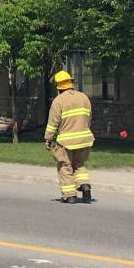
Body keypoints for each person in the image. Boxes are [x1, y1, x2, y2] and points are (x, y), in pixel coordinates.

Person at [44, 70, 95, 203]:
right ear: (70, 83)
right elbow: (88, 118)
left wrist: (48, 139)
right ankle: (85, 186)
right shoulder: (84, 97)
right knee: (79, 164)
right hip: (85, 139)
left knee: (65, 166)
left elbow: (52, 123)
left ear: (58, 87)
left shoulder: (58, 101)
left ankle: (70, 195)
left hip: (66, 141)